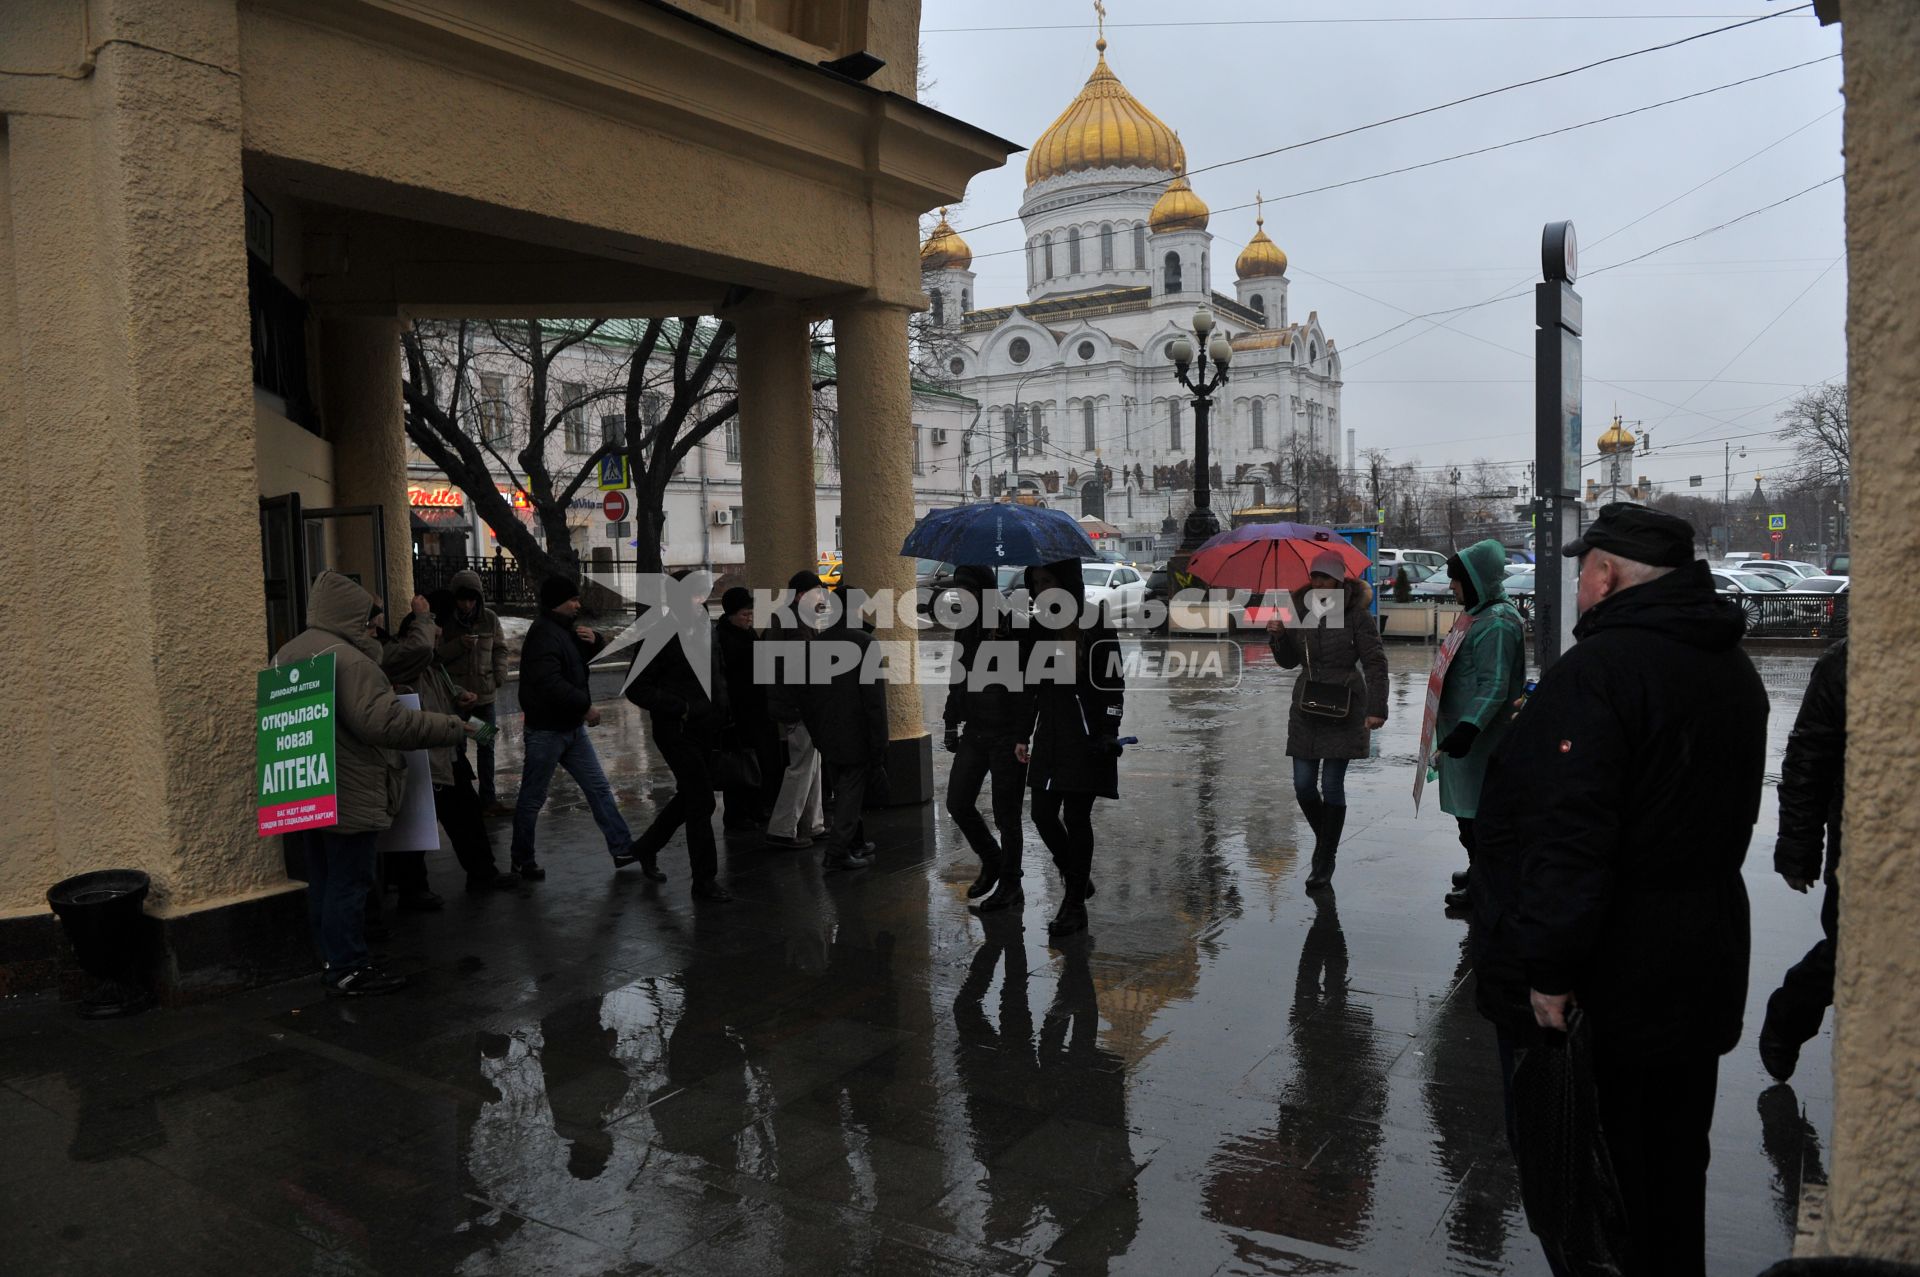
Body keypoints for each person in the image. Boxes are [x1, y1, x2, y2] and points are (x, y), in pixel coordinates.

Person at [1470, 502, 1768, 1276]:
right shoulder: (1730, 664)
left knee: (1596, 1189)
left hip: (1615, 977)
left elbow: (1570, 838)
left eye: (1582, 570)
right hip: (1700, 957)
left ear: (1603, 574)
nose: (1579, 585)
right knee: (1672, 1174)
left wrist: (1550, 974)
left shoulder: (1599, 672)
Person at [274, 570, 474, 996]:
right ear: (348, 615)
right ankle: (348, 968)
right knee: (349, 882)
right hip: (351, 790)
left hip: (308, 787)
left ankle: (333, 957)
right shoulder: (351, 661)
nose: (374, 625)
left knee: (324, 880)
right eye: (368, 617)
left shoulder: (290, 652)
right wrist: (452, 726)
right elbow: (386, 724)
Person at [1265, 550, 1388, 891]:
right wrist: (1277, 636)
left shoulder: (1357, 616)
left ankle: (1324, 860)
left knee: (1331, 785)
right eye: (1315, 576)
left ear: (1338, 580)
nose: (1319, 583)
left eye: (1326, 578)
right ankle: (1328, 844)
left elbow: (1376, 662)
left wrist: (1377, 708)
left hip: (1345, 705)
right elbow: (1289, 662)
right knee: (1303, 784)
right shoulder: (1299, 610)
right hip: (1307, 704)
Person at [1015, 558, 1124, 940]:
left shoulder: (1094, 623)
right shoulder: (1036, 627)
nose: (1040, 589)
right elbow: (1029, 687)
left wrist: (1109, 729)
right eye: (1036, 582)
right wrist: (1022, 734)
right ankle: (1077, 878)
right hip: (1049, 735)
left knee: (1077, 818)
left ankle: (1074, 903)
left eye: (1047, 580)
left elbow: (1113, 682)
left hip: (1087, 738)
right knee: (1043, 814)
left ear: (1068, 584)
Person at [510, 575, 642, 881]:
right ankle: (522, 860)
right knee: (533, 797)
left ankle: (623, 848)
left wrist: (596, 642)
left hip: (569, 728)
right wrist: (584, 707)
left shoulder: (562, 631)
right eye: (573, 600)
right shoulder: (544, 634)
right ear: (559, 602)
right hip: (546, 731)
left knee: (598, 788)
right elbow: (550, 682)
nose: (578, 605)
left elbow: (574, 664)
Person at [1759, 637, 1848, 1081]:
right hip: (1869, 845)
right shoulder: (1850, 661)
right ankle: (1791, 1013)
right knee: (1850, 953)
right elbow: (1810, 759)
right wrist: (1798, 847)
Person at [1431, 539, 1528, 913]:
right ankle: (1478, 870)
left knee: (1479, 819)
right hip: (1464, 738)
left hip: (1480, 741)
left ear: (1475, 579)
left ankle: (1485, 884)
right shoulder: (1479, 614)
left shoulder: (1498, 623)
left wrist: (1467, 729)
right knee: (1468, 815)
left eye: (1457, 580)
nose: (1452, 587)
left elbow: (1494, 684)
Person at [625, 570, 733, 901]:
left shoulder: (705, 626)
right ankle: (704, 881)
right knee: (701, 799)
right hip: (676, 729)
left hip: (706, 726)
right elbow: (637, 687)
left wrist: (723, 712)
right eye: (694, 595)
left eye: (703, 595)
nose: (700, 601)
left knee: (690, 796)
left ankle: (645, 847)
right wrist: (680, 707)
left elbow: (718, 673)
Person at [771, 584, 887, 871]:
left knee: (846, 788)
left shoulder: (818, 644)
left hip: (826, 733)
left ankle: (854, 842)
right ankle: (837, 852)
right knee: (850, 792)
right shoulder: (864, 643)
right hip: (856, 733)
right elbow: (874, 701)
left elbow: (805, 693)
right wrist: (880, 742)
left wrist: (817, 729)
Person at [943, 565, 1034, 913]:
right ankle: (993, 860)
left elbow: (1030, 686)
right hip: (975, 731)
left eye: (966, 590)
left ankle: (1011, 885)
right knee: (957, 802)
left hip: (1007, 734)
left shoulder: (1012, 623)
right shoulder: (965, 625)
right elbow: (957, 675)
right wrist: (951, 722)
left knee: (1006, 816)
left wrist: (1022, 734)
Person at [762, 570, 827, 851]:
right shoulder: (795, 621)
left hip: (795, 703)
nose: (822, 597)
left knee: (812, 763)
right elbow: (801, 665)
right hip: (798, 705)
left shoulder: (790, 617)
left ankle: (813, 823)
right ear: (802, 594)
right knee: (802, 765)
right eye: (817, 591)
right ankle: (782, 828)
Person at [438, 568, 511, 814]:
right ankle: (462, 800)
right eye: (462, 599)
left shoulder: (489, 619)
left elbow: (500, 649)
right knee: (456, 747)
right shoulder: (446, 621)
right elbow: (435, 657)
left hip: (482, 696)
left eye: (471, 599)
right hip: (455, 698)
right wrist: (459, 644)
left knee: (485, 745)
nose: (467, 604)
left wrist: (499, 675)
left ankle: (487, 799)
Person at [714, 586, 775, 833]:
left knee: (755, 761)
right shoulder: (724, 639)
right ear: (730, 614)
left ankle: (755, 808)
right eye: (744, 614)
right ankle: (738, 814)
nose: (749, 618)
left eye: (750, 613)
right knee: (739, 765)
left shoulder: (747, 634)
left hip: (756, 709)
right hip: (739, 712)